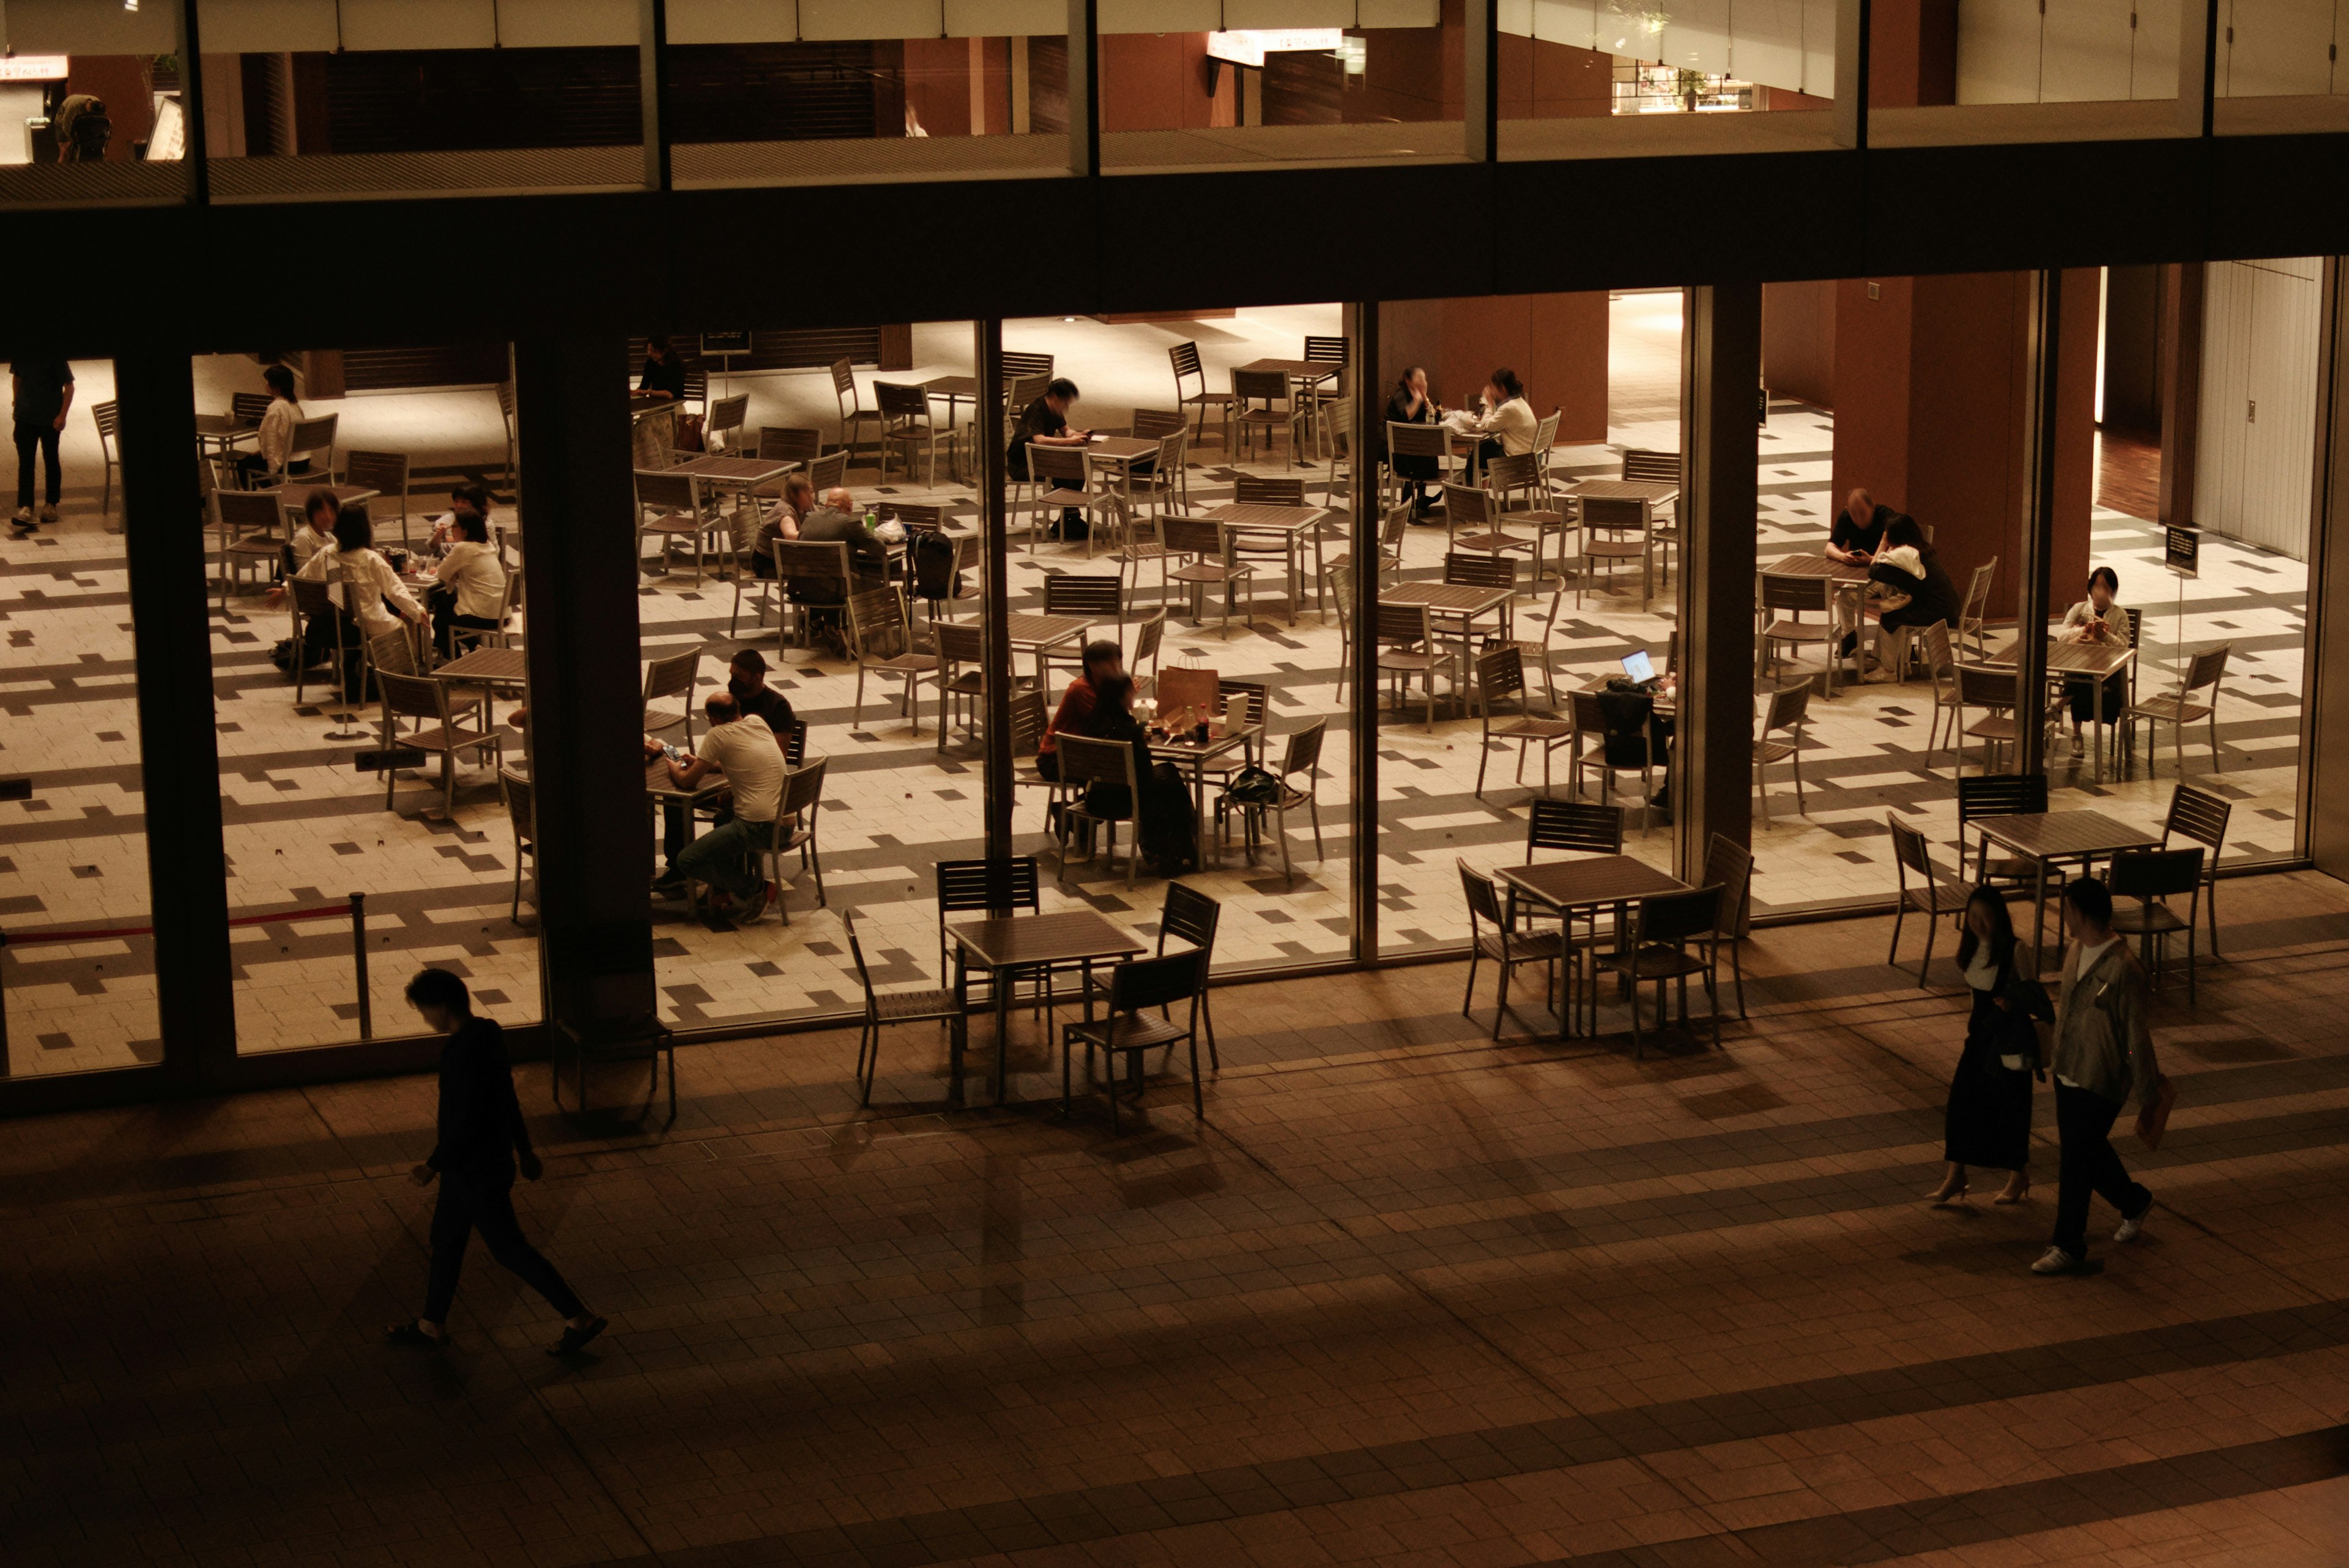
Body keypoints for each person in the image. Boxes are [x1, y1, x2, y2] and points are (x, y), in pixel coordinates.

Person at [384, 967, 606, 1356]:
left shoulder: (458, 1052)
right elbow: (506, 1098)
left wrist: (432, 1165)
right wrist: (525, 1150)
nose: (425, 1018)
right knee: (447, 1240)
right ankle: (431, 1323)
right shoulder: (489, 1035)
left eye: (424, 1010)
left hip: (473, 1171)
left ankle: (578, 1316)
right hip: (481, 1165)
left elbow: (462, 1117)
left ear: (440, 1007)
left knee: (508, 1248)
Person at [2033, 877, 2161, 1276]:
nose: (2063, 915)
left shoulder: (2125, 969)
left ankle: (2069, 1244)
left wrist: (2148, 1096)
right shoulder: (2075, 951)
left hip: (2101, 1079)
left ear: (2082, 912)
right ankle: (2134, 1201)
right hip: (2068, 1071)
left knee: (2075, 1161)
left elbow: (2136, 1037)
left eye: (2066, 908)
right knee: (2088, 1152)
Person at [1932, 887, 2052, 1207]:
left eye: (1985, 916)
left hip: (2008, 1043)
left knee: (2011, 1110)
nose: (1979, 923)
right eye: (1973, 916)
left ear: (1999, 917)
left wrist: (2013, 1001)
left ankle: (2019, 1174)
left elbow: (2035, 994)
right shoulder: (1972, 950)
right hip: (1979, 1040)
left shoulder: (2015, 950)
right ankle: (1956, 1174)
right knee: (1961, 1106)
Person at [656, 691, 786, 921]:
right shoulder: (756, 721)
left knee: (688, 859)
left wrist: (673, 766)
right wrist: (703, 764)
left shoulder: (718, 734)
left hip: (758, 827)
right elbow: (739, 757)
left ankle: (757, 890)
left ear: (714, 718)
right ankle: (720, 892)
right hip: (784, 823)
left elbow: (687, 782)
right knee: (723, 819)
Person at [1076, 674, 1198, 874]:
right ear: (1123, 697)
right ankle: (1180, 849)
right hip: (1125, 799)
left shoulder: (1091, 721)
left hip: (1096, 796)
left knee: (1168, 773)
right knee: (1172, 785)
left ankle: (1172, 850)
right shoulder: (1127, 729)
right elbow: (1143, 775)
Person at [275, 503, 428, 646]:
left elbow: (302, 578)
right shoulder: (371, 559)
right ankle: (401, 670)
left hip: (333, 620)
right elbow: (395, 590)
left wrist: (284, 590)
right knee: (403, 624)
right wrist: (418, 611)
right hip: (367, 622)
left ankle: (355, 661)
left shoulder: (328, 553)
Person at [789, 485, 887, 656]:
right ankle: (856, 636)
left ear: (826, 505)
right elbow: (880, 550)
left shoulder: (810, 519)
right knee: (879, 588)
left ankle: (830, 627)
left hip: (803, 589)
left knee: (832, 575)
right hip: (835, 590)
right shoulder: (849, 523)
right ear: (849, 506)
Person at [1862, 516, 1961, 682]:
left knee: (1891, 617)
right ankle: (1904, 665)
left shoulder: (1904, 555)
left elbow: (1873, 570)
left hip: (1938, 612)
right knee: (1899, 612)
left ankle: (1888, 671)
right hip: (1950, 607)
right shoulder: (1922, 550)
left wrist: (1883, 542)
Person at [1008, 377, 1094, 540]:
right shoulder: (1036, 410)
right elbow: (1039, 439)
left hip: (1042, 460)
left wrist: (1080, 435)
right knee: (1063, 473)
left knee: (1078, 469)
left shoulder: (1055, 410)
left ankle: (1069, 517)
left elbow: (1066, 431)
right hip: (1022, 465)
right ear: (1055, 398)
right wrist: (1070, 442)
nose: (1066, 407)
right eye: (1065, 402)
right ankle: (1070, 518)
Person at [1037, 640, 1124, 782]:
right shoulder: (1082, 689)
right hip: (1056, 760)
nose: (1117, 669)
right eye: (1111, 664)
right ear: (1093, 666)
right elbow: (1103, 727)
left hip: (1079, 752)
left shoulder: (1102, 685)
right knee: (1117, 772)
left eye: (1117, 663)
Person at [2060, 566, 2129, 742]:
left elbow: (2123, 647)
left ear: (2112, 591)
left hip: (2106, 668)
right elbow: (2061, 637)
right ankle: (2076, 734)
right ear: (2090, 588)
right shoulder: (2079, 608)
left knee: (2079, 680)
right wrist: (2084, 629)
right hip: (2079, 662)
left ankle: (2061, 710)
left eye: (2106, 587)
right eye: (2097, 586)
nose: (2100, 591)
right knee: (2081, 677)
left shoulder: (2120, 615)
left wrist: (2104, 635)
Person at [426, 513, 510, 657]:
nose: (451, 529)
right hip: (503, 614)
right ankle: (473, 647)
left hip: (483, 616)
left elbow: (442, 575)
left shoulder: (464, 548)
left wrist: (455, 572)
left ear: (465, 530)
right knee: (446, 603)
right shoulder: (487, 546)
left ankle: (454, 663)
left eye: (455, 526)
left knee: (441, 619)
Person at [10, 355, 73, 532]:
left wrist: (62, 415)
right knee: (26, 464)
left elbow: (69, 386)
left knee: (51, 459)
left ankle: (51, 504)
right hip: (25, 418)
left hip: (49, 419)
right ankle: (26, 507)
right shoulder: (21, 354)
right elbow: (17, 377)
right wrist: (16, 402)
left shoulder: (54, 356)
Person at [1384, 366, 1444, 519]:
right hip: (1393, 446)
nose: (1424, 382)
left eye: (1425, 378)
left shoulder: (1419, 396)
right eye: (1420, 378)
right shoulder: (1401, 395)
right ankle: (1413, 501)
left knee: (1426, 453)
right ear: (1408, 380)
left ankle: (1418, 500)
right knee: (1421, 455)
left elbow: (1431, 419)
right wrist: (1419, 399)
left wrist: (1426, 400)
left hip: (1411, 444)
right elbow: (1406, 416)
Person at [1448, 368, 1535, 469]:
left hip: (1520, 459)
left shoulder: (1509, 407)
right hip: (1531, 455)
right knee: (1487, 447)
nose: (1492, 390)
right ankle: (1476, 483)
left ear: (1502, 388)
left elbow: (1486, 426)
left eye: (1493, 387)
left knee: (1482, 450)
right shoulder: (1519, 401)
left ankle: (1470, 483)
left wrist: (1489, 404)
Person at [236, 364, 303, 489]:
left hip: (288, 462)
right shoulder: (295, 406)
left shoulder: (276, 407)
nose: (265, 385)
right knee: (253, 461)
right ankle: (269, 491)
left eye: (268, 382)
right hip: (303, 460)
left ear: (276, 387)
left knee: (243, 464)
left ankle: (256, 498)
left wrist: (272, 465)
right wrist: (262, 452)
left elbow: (271, 438)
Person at [750, 472, 815, 578]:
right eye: (808, 493)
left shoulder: (806, 506)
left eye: (812, 492)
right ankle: (800, 594)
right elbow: (791, 536)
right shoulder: (784, 511)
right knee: (817, 570)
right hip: (767, 564)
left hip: (784, 559)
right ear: (795, 495)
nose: (812, 497)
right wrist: (814, 534)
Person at [726, 647, 797, 741]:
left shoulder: (778, 706)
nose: (733, 681)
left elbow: (780, 754)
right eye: (732, 675)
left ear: (757, 677)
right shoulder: (731, 700)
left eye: (739, 676)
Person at [1828, 487, 1906, 567]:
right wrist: (1843, 557)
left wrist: (1871, 560)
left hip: (1883, 569)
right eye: (1854, 514)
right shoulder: (1846, 517)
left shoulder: (1887, 517)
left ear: (1872, 507)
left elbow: (1898, 553)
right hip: (1856, 569)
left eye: (1862, 513)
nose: (1859, 519)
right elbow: (1829, 548)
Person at [423, 481, 495, 557]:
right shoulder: (445, 521)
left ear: (476, 505)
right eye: (456, 501)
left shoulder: (486, 525)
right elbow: (430, 551)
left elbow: (493, 552)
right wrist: (438, 535)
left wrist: (443, 547)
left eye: (464, 502)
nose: (459, 505)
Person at [286, 486, 342, 575]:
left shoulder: (330, 538)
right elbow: (304, 573)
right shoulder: (304, 537)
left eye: (331, 511)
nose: (327, 516)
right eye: (322, 511)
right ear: (312, 512)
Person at [638, 335, 688, 402]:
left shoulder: (677, 365)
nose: (650, 353)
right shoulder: (651, 362)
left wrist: (648, 392)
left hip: (674, 404)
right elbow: (643, 387)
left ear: (665, 351)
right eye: (648, 350)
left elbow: (670, 395)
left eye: (653, 351)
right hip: (655, 403)